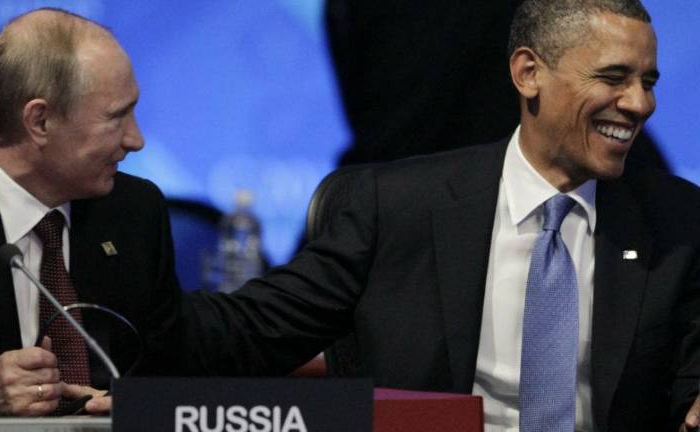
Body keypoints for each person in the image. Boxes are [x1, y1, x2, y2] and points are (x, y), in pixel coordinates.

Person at [179, 0, 700, 430]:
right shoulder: (398, 207)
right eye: (614, 77)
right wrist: (140, 346)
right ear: (528, 73)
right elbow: (252, 329)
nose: (640, 104)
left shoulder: (677, 221)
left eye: (648, 82)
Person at [0, 8, 189, 420]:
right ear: (40, 121)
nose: (136, 139)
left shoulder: (135, 211)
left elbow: (172, 368)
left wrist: (137, 405)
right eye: (116, 116)